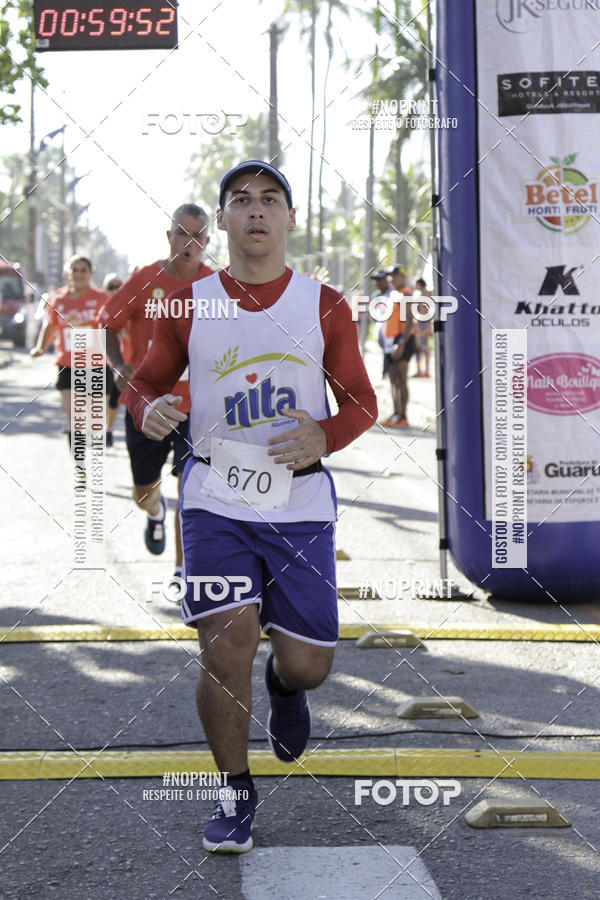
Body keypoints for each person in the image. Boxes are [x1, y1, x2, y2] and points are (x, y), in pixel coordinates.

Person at [125, 160, 377, 853]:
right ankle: (234, 791)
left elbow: (362, 402)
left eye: (271, 199)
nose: (257, 210)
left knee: (307, 665)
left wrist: (325, 433)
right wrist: (148, 410)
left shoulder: (324, 305)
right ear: (223, 222)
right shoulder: (190, 304)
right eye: (241, 200)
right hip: (213, 500)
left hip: (299, 505)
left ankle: (285, 689)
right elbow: (141, 384)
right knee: (224, 646)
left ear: (290, 219)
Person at [97, 205, 213, 573]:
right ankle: (155, 511)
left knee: (190, 487)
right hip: (145, 403)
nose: (189, 243)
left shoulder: (216, 285)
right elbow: (107, 326)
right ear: (169, 237)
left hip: (195, 406)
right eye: (182, 233)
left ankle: (183, 571)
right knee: (143, 493)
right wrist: (119, 366)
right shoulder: (145, 279)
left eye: (197, 236)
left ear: (207, 242)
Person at [30, 255, 111, 449]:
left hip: (97, 363)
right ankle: (79, 461)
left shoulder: (101, 298)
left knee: (94, 415)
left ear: (90, 273)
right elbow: (49, 325)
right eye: (75, 269)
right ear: (68, 273)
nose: (79, 274)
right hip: (68, 363)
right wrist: (40, 347)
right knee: (73, 414)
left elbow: (113, 326)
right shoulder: (58, 297)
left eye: (83, 270)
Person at [380, 266, 415, 427]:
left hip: (404, 340)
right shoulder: (397, 294)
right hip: (395, 340)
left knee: (401, 379)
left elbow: (409, 320)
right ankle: (396, 414)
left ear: (402, 277)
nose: (392, 280)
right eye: (390, 277)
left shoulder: (406, 293)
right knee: (394, 378)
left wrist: (401, 344)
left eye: (394, 276)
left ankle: (402, 416)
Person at [102, 272, 124, 446]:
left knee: (113, 399)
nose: (115, 289)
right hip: (96, 360)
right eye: (111, 286)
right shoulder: (99, 307)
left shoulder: (128, 306)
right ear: (105, 289)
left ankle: (108, 430)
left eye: (119, 286)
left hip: (118, 362)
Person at [370, 269, 392, 378]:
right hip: (383, 337)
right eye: (376, 280)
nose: (377, 283)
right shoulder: (377, 295)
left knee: (394, 376)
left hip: (392, 338)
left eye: (380, 280)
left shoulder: (392, 294)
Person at [413, 277, 432, 378]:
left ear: (419, 284)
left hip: (423, 325)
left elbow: (426, 311)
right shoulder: (426, 294)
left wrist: (427, 327)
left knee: (421, 348)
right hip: (422, 324)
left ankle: (422, 370)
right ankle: (423, 370)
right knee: (423, 348)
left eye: (416, 284)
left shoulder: (425, 295)